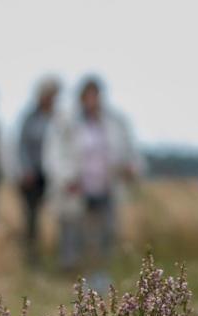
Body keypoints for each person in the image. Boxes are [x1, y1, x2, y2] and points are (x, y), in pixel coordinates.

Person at [43, 76, 141, 291]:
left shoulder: (115, 122)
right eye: (87, 95)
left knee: (106, 233)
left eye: (95, 95)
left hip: (106, 187)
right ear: (80, 97)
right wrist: (66, 178)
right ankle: (78, 280)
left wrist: (130, 168)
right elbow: (53, 155)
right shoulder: (65, 122)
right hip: (77, 189)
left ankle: (100, 277)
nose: (92, 100)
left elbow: (128, 151)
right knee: (77, 235)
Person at [17, 77, 60, 264]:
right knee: (32, 220)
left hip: (55, 176)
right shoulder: (28, 117)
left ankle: (58, 256)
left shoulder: (60, 117)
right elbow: (21, 146)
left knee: (60, 217)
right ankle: (32, 257)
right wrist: (26, 170)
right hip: (32, 177)